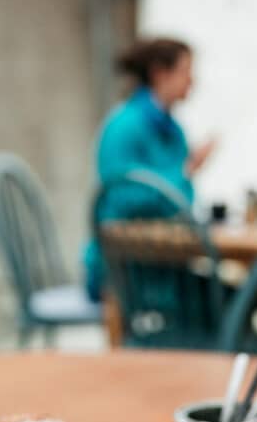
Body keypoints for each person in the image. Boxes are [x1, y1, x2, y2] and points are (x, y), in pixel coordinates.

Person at [85, 37, 215, 301]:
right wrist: (186, 171)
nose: (192, 82)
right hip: (124, 268)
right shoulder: (124, 126)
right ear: (159, 73)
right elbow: (120, 200)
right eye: (186, 72)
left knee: (240, 300)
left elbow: (182, 202)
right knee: (219, 308)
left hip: (164, 262)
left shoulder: (173, 130)